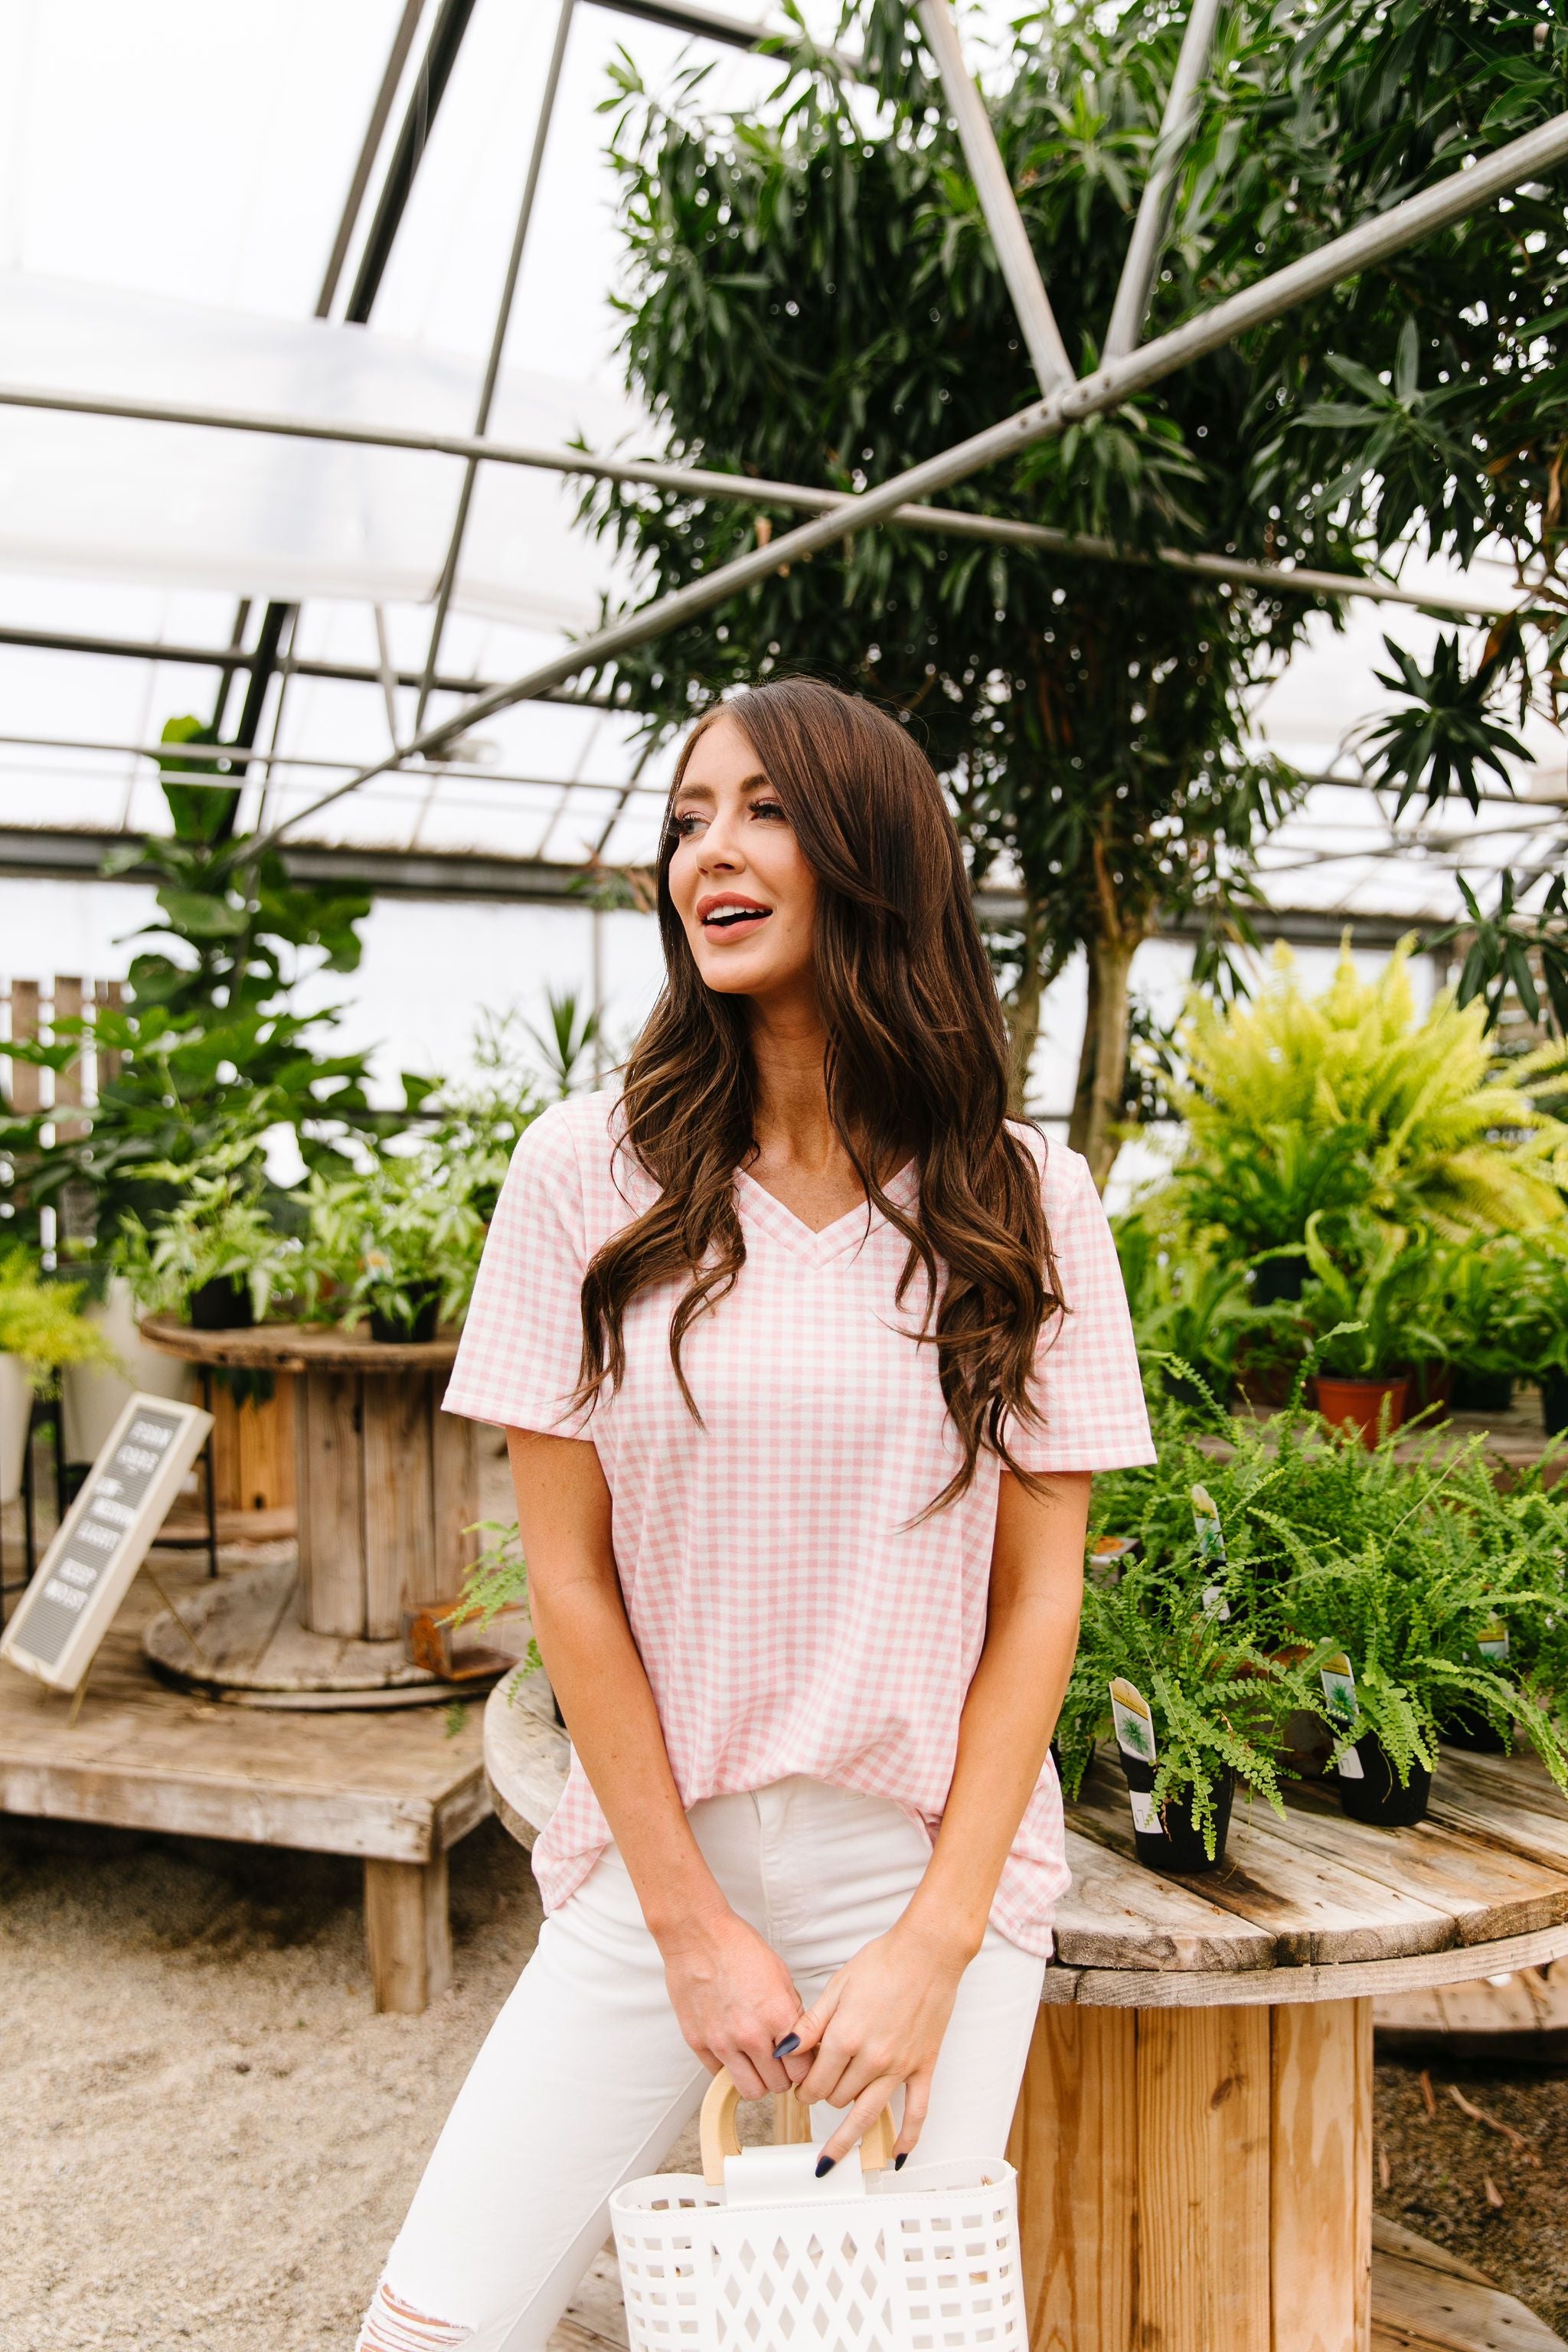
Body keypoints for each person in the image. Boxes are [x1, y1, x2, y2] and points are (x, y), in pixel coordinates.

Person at [357, 677, 1154, 2352]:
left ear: (873, 854)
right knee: (436, 2323)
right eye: (684, 820)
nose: (706, 852)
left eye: (760, 810)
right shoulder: (585, 1173)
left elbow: (1038, 1601)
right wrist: (688, 1926)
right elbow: (567, 1584)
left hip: (925, 1879)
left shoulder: (1027, 1199)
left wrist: (936, 1942)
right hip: (661, 1868)